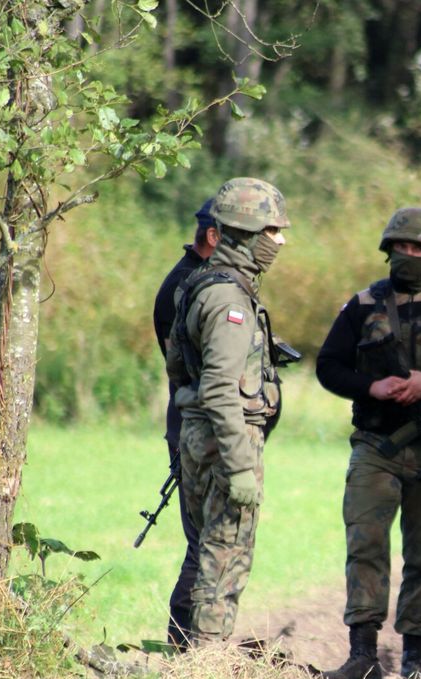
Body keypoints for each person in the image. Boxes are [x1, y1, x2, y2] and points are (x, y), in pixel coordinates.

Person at [315, 207, 421, 679]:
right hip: (377, 446)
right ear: (388, 250)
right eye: (401, 247)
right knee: (365, 544)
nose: (410, 256)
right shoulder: (362, 305)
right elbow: (329, 366)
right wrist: (370, 388)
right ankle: (362, 655)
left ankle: (419, 658)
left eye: (419, 248)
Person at [164, 177, 290, 645]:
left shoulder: (198, 284)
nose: (280, 242)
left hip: (199, 434)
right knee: (225, 556)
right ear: (247, 233)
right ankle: (205, 669)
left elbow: (179, 366)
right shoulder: (230, 301)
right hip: (226, 438)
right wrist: (240, 467)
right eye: (273, 232)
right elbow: (219, 388)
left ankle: (190, 657)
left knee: (205, 551)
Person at [153, 198, 219, 651]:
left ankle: (193, 648)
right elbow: (193, 369)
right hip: (196, 428)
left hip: (199, 425)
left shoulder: (197, 281)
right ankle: (185, 648)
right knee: (205, 541)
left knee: (209, 539)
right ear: (213, 236)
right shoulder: (188, 286)